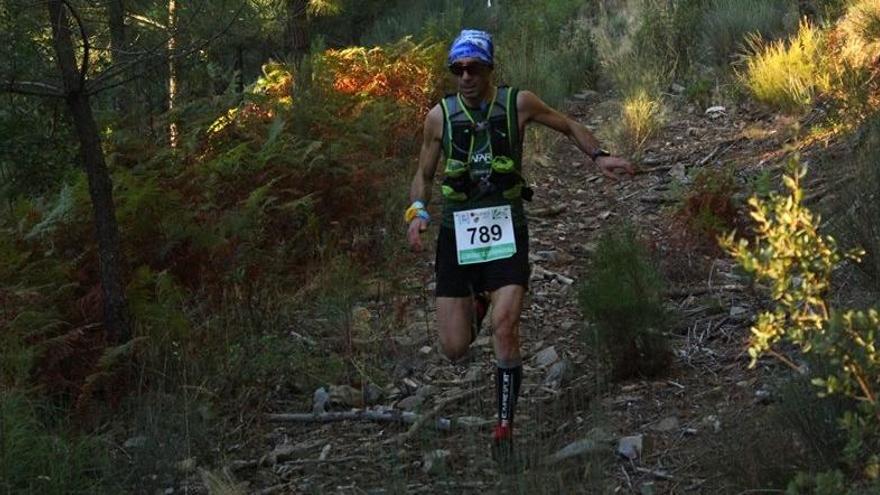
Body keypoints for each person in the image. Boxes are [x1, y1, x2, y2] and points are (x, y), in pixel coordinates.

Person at [404, 29, 634, 464]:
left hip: (506, 227)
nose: (466, 76)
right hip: (457, 235)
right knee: (453, 348)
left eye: (474, 68)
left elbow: (566, 124)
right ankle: (476, 305)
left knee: (505, 328)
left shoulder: (517, 104)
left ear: (490, 68)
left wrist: (599, 154)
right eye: (458, 69)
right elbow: (424, 173)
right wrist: (417, 210)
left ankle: (504, 428)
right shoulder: (439, 117)